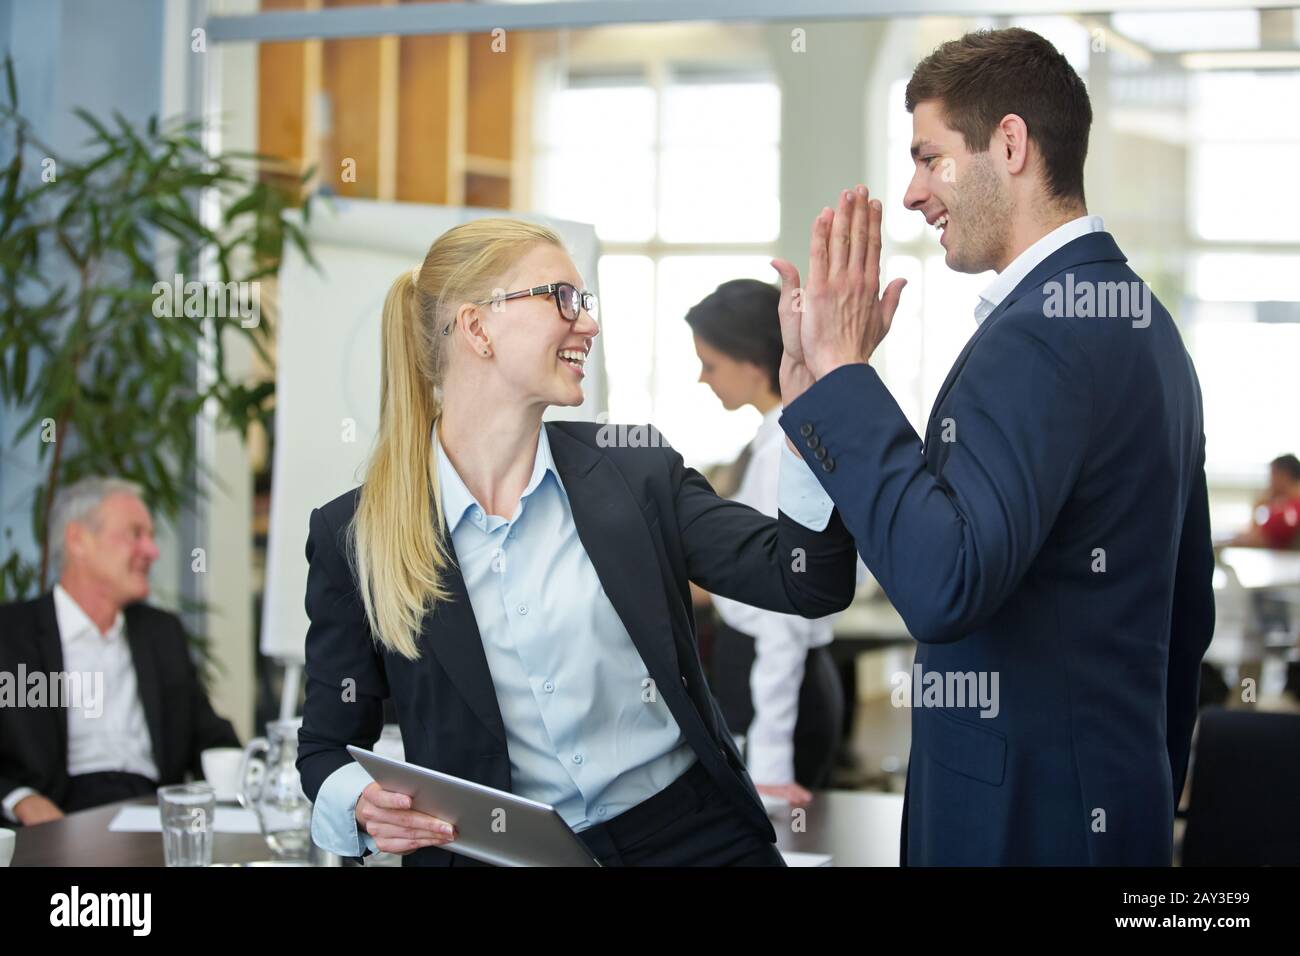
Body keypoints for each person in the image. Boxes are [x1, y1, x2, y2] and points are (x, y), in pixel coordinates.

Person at [770, 28, 1215, 864]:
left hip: (1019, 825)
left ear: (1009, 144)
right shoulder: (1139, 320)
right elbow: (1187, 615)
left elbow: (945, 581)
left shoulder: (1044, 332)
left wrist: (843, 376)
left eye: (929, 157)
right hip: (1103, 805)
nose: (911, 193)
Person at [297, 217, 859, 867]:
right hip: (500, 858)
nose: (587, 324)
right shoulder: (355, 536)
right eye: (562, 298)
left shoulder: (635, 469)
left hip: (695, 841)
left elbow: (807, 581)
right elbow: (326, 748)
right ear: (477, 327)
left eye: (585, 302)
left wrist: (811, 419)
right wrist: (357, 803)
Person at [687, 278, 847, 804]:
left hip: (780, 690)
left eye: (710, 365)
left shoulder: (784, 449)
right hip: (771, 679)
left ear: (753, 364)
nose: (702, 378)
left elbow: (785, 613)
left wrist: (771, 760)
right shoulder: (776, 438)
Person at [0, 477, 240, 825]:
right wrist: (20, 799)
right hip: (55, 816)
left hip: (151, 812)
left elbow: (211, 738)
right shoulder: (10, 635)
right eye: (135, 534)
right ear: (78, 540)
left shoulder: (161, 633)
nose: (152, 550)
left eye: (151, 536)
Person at [1229, 454, 1300, 550]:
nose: (1270, 482)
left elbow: (1256, 540)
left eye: (1272, 475)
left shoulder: (1290, 510)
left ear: (1284, 475)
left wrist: (1256, 506)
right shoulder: (1285, 506)